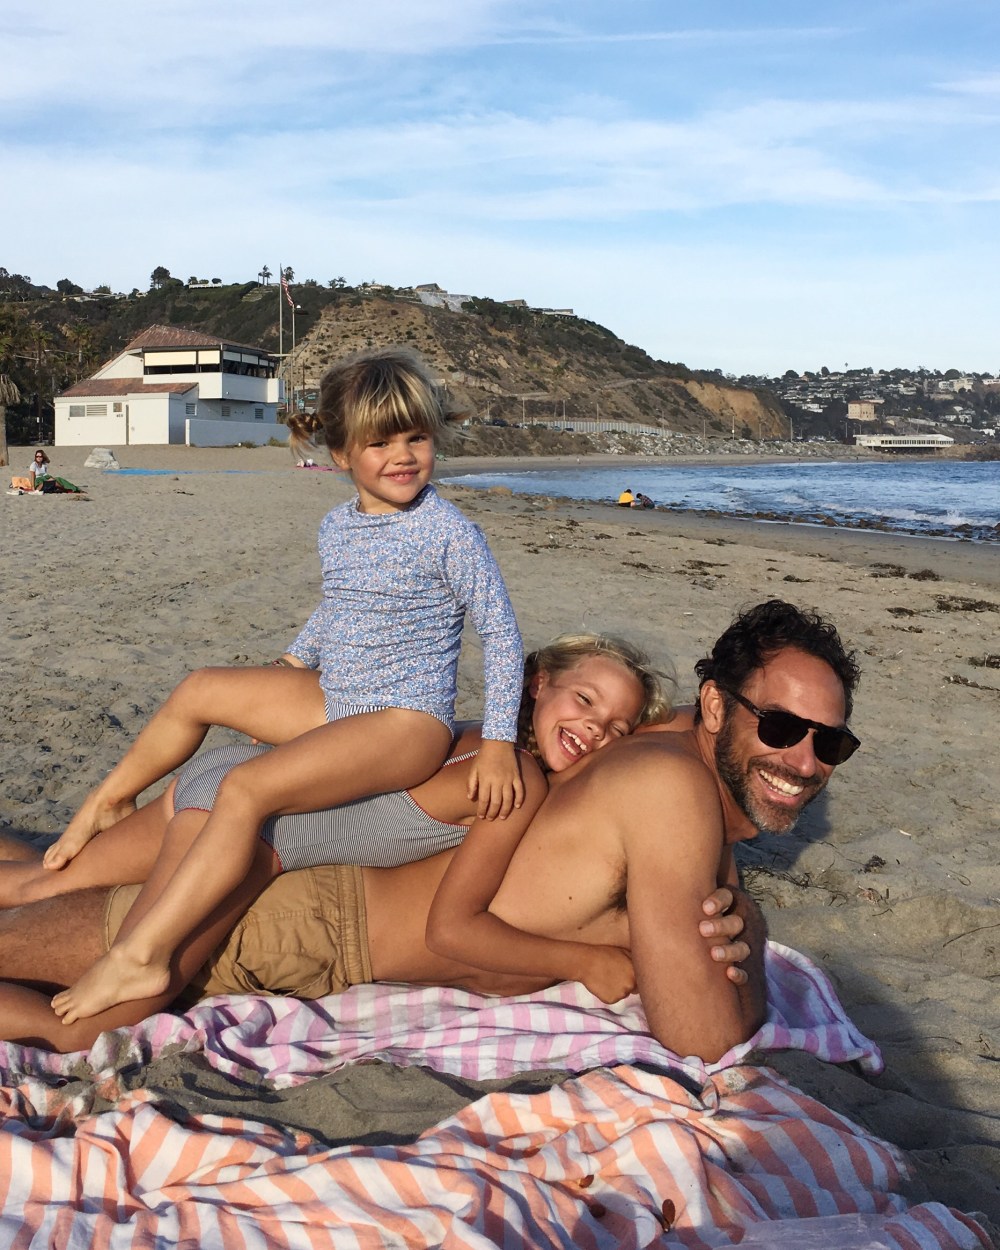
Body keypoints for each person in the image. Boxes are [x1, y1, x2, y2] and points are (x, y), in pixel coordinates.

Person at [0, 600, 858, 1062]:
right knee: (57, 985)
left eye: (832, 742)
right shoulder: (669, 784)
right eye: (782, 729)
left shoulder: (655, 740)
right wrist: (749, 927)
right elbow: (704, 1033)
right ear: (716, 707)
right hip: (297, 915)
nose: (807, 760)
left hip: (302, 867)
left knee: (39, 879)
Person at [45, 346, 526, 1024]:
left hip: (404, 723)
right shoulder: (338, 526)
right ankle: (108, 800)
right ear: (340, 456)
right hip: (338, 701)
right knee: (199, 688)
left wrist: (500, 741)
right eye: (380, 441)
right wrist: (295, 662)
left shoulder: (448, 532)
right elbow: (340, 606)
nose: (404, 455)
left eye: (416, 437)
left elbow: (502, 634)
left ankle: (140, 955)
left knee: (245, 788)